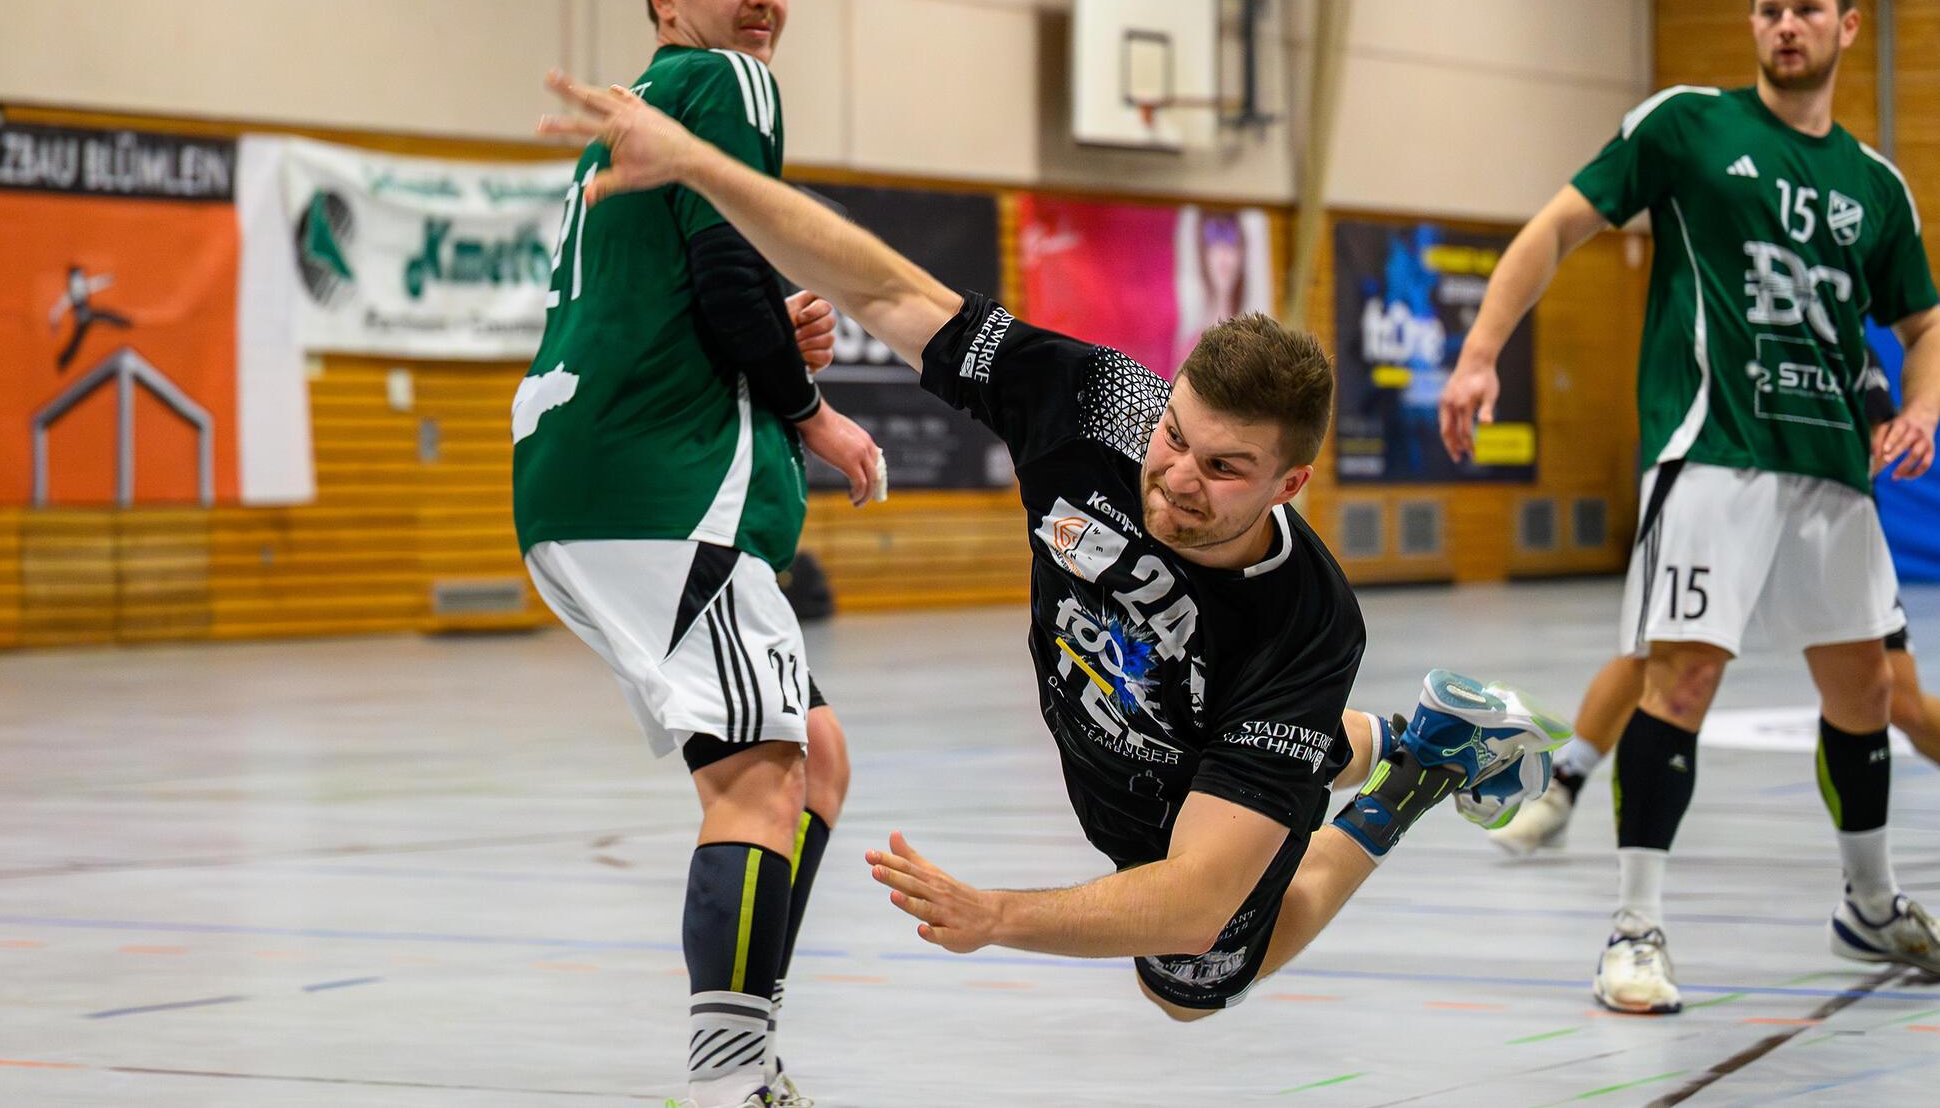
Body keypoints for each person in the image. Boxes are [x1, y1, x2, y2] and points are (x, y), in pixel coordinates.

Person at [532, 70, 1573, 1027]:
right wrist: (700, 165)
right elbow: (888, 291)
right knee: (1247, 754)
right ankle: (1410, 732)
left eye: (1221, 471)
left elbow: (1197, 897)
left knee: (1192, 981)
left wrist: (998, 916)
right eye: (1177, 435)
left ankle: (1413, 776)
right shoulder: (1096, 401)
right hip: (1170, 731)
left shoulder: (1304, 622)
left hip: (1185, 793)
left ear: (1287, 484)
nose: (1172, 477)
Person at [1438, 0, 1940, 1016]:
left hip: (1831, 470)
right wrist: (1479, 351)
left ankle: (1871, 907)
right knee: (1680, 682)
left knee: (1866, 693)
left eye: (1803, 8)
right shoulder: (1686, 127)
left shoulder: (1873, 186)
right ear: (1751, 26)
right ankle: (1632, 929)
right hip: (1712, 456)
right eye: (1766, 8)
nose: (1781, 24)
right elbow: (1557, 225)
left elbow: (1924, 330)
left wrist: (1922, 408)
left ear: (1845, 27)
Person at [508, 0, 880, 1108]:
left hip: (592, 480)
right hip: (663, 493)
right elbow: (723, 262)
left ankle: (748, 1037)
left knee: (810, 756)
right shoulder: (720, 87)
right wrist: (807, 409)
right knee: (757, 776)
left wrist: (761, 331)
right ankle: (728, 1079)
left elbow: (680, 296)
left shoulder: (632, 124)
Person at [1490, 361, 1940, 858]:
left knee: (1895, 697)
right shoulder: (1723, 325)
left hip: (1819, 525)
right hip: (1727, 516)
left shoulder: (1841, 341)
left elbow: (1880, 429)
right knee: (1652, 657)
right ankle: (1564, 789)